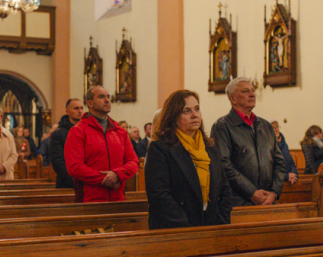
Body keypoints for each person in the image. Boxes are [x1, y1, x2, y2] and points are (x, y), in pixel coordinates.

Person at [145, 90, 233, 229]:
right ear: (173, 116)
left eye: (197, 109)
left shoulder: (209, 148)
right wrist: (187, 227)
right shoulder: (160, 149)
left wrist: (219, 222)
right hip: (176, 229)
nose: (194, 115)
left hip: (211, 227)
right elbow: (159, 195)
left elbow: (224, 190)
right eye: (186, 111)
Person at [211, 77, 285, 207]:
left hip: (268, 201)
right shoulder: (223, 126)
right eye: (245, 91)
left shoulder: (266, 126)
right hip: (238, 202)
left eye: (252, 90)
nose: (252, 94)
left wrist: (274, 193)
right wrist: (251, 192)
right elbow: (224, 165)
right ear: (233, 98)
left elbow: (279, 162)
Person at [64, 86, 139, 202]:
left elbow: (133, 161)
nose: (107, 100)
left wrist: (117, 175)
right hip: (89, 200)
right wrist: (106, 179)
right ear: (90, 103)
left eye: (108, 97)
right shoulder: (78, 131)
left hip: (117, 199)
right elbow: (74, 167)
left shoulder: (120, 131)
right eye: (101, 97)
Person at [50, 98, 84, 189]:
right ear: (67, 111)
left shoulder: (87, 130)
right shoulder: (59, 133)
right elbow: (58, 162)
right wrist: (75, 181)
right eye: (76, 108)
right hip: (67, 184)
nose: (80, 111)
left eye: (81, 108)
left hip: (88, 182)